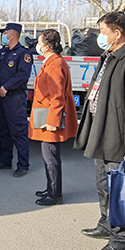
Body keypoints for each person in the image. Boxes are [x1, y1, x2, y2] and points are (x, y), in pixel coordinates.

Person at [74, 11, 125, 250]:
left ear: (117, 33)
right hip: (102, 129)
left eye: (103, 32)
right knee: (104, 184)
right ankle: (107, 222)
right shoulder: (109, 56)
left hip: (119, 136)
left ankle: (121, 239)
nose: (100, 36)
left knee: (121, 189)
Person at [29, 29, 78, 206]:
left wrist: (52, 121)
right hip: (47, 115)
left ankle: (54, 193)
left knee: (50, 158)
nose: (37, 45)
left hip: (50, 118)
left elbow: (57, 96)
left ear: (47, 47)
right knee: (49, 156)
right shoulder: (52, 62)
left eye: (40, 42)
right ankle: (51, 187)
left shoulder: (55, 64)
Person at [0, 23, 33, 177]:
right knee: (3, 130)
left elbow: (22, 75)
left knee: (18, 131)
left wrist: (6, 86)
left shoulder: (23, 54)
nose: (3, 35)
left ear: (13, 33)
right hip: (1, 98)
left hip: (15, 98)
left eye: (5, 32)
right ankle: (5, 160)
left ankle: (23, 165)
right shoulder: (3, 52)